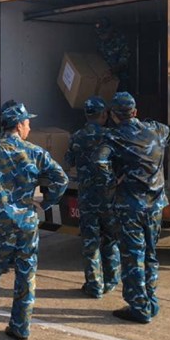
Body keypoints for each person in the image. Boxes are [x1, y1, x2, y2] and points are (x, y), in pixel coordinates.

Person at [0, 100, 68, 340]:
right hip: (27, 225)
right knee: (26, 276)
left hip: (0, 224)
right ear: (19, 125)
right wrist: (46, 202)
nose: (29, 127)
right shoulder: (36, 152)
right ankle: (20, 328)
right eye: (28, 123)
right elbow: (60, 179)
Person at [102, 92, 170, 324]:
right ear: (135, 112)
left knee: (132, 258)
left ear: (113, 115)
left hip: (129, 208)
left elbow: (100, 163)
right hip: (154, 207)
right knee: (150, 254)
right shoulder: (156, 130)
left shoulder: (113, 138)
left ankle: (139, 308)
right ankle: (150, 299)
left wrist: (113, 181)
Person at [64, 96, 120, 299]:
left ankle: (94, 285)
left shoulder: (76, 137)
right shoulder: (112, 136)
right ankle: (111, 281)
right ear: (104, 114)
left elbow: (68, 163)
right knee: (111, 240)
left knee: (90, 242)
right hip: (109, 197)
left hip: (87, 197)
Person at [95, 17, 131, 90]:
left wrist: (111, 72)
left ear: (110, 30)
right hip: (104, 79)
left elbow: (124, 62)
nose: (101, 36)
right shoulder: (100, 42)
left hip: (120, 80)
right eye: (99, 34)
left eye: (103, 33)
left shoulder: (120, 41)